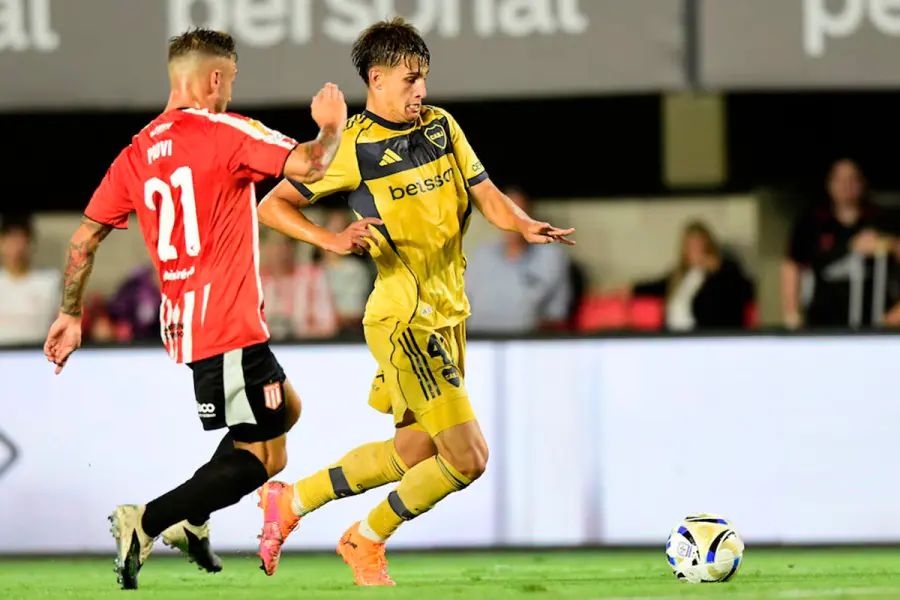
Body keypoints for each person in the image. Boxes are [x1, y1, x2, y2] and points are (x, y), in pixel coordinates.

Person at [253, 17, 574, 586]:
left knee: (414, 450)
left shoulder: (441, 127)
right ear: (376, 79)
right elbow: (272, 205)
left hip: (449, 316)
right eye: (410, 79)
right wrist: (330, 240)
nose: (420, 90)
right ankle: (366, 539)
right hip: (403, 319)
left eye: (423, 78)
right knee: (469, 458)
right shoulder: (350, 147)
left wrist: (522, 224)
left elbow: (487, 193)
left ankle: (292, 501)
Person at [42, 28, 347, 590]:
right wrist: (331, 124)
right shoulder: (224, 131)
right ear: (213, 79)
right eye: (230, 80)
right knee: (265, 456)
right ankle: (152, 521)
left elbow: (83, 241)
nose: (230, 92)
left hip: (186, 324)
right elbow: (310, 166)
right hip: (226, 326)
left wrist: (70, 312)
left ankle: (195, 517)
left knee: (285, 416)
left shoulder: (135, 152)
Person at [782, 158, 900, 329]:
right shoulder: (812, 222)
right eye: (840, 180)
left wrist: (886, 243)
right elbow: (791, 265)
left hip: (876, 323)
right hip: (824, 323)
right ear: (829, 184)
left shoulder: (881, 219)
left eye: (852, 179)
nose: (846, 185)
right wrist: (792, 313)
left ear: (862, 183)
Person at [465, 186, 573, 334]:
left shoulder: (550, 258)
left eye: (520, 213)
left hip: (527, 345)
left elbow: (556, 315)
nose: (514, 221)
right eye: (506, 214)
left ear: (531, 217)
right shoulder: (481, 255)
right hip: (477, 344)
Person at [621, 221, 754, 331]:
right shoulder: (678, 275)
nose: (695, 251)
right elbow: (653, 286)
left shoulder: (722, 273)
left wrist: (715, 266)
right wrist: (626, 289)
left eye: (698, 245)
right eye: (690, 246)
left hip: (704, 336)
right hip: (673, 335)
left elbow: (743, 288)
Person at [0, 214, 61, 346]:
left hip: (39, 357)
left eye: (21, 239)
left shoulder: (49, 282)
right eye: (10, 239)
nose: (16, 247)